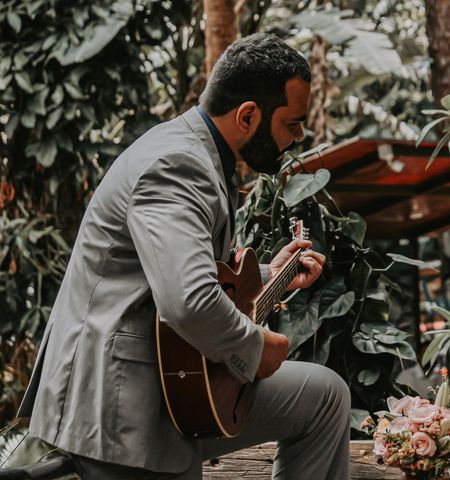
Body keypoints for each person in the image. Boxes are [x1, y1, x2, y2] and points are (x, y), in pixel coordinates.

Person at [16, 33, 351, 480]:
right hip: (118, 404)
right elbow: (189, 301)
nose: (300, 135)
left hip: (176, 381)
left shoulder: (203, 152)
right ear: (248, 116)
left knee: (323, 396)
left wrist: (275, 274)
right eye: (292, 123)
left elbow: (182, 274)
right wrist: (255, 350)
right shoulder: (178, 163)